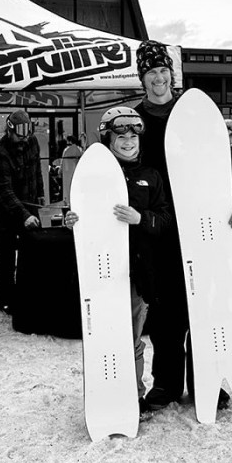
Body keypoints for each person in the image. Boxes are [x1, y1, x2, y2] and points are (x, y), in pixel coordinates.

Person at [133, 40, 232, 411]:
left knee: (205, 307)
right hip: (161, 229)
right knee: (165, 312)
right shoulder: (136, 121)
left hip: (201, 226)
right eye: (151, 72)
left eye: (163, 71)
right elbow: (124, 167)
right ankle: (166, 384)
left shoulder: (194, 113)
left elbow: (222, 158)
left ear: (172, 74)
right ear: (142, 78)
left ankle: (206, 382)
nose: (159, 79)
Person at [64, 106, 171, 415]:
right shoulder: (94, 175)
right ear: (108, 139)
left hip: (137, 272)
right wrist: (72, 221)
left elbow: (166, 219)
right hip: (101, 273)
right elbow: (82, 213)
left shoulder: (150, 176)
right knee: (104, 336)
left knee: (131, 338)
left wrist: (142, 218)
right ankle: (105, 393)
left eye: (133, 137)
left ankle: (133, 396)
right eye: (121, 137)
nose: (128, 142)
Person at [0, 109, 44, 316]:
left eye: (27, 135)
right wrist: (24, 215)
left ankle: (26, 292)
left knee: (31, 251)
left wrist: (40, 197)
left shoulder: (32, 141)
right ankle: (4, 299)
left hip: (29, 204)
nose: (24, 139)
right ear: (9, 131)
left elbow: (36, 171)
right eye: (20, 136)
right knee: (5, 257)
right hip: (6, 210)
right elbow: (4, 191)